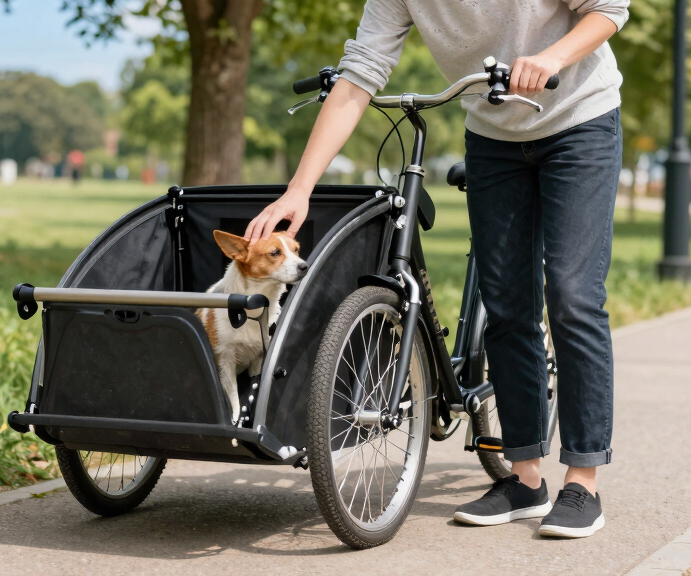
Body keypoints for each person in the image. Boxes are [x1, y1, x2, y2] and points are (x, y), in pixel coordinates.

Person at [245, 0, 629, 539]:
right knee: (508, 304)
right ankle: (524, 480)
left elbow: (610, 9)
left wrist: (550, 57)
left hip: (579, 119)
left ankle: (583, 481)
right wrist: (299, 188)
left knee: (571, 294)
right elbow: (360, 76)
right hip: (494, 136)